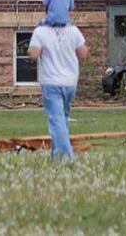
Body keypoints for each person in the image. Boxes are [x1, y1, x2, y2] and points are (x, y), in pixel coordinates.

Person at [28, 20, 89, 160]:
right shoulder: (73, 30)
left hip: (51, 82)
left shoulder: (41, 31)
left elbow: (34, 54)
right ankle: (56, 156)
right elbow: (83, 53)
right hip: (70, 83)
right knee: (63, 119)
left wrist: (31, 49)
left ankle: (66, 157)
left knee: (56, 120)